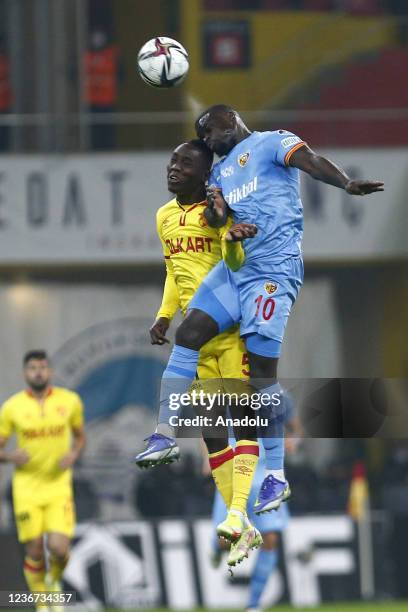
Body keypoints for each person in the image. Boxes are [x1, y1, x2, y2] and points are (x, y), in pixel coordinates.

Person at [146, 103, 384, 519]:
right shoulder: (217, 174)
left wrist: (344, 183)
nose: (208, 139)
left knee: (260, 379)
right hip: (236, 266)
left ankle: (276, 475)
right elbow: (217, 215)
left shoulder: (273, 142)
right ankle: (164, 433)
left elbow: (309, 162)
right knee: (188, 334)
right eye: (202, 134)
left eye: (210, 130)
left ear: (231, 120)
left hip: (273, 272)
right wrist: (223, 220)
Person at [135, 139, 263, 565]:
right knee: (211, 433)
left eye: (186, 163)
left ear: (205, 174)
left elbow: (237, 262)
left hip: (229, 331)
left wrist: (228, 232)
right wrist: (163, 315)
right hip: (194, 336)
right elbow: (173, 268)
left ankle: (237, 511)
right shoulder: (164, 216)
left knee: (243, 421)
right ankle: (240, 524)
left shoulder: (219, 212)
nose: (174, 167)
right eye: (172, 160)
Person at [0, 350, 86, 608]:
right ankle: (43, 603)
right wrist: (10, 456)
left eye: (42, 367)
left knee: (59, 549)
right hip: (26, 488)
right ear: (25, 373)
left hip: (58, 486)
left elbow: (80, 436)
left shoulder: (69, 401)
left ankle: (54, 581)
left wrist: (73, 454)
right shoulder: (12, 407)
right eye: (33, 368)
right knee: (35, 550)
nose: (38, 372)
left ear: (50, 371)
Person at [209, 390, 300, 612]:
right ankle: (217, 546)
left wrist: (293, 441)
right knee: (227, 540)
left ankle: (253, 605)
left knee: (270, 539)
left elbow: (296, 428)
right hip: (233, 474)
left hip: (266, 477)